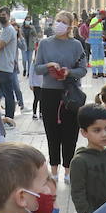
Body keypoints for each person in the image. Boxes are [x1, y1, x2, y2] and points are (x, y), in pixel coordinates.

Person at [34, 10, 90, 179]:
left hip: (70, 93)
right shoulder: (45, 44)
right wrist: (49, 66)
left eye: (64, 22)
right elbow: (37, 67)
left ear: (70, 26)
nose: (59, 24)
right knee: (52, 132)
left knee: (70, 132)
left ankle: (68, 169)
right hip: (49, 92)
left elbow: (82, 69)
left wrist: (68, 72)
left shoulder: (76, 45)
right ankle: (54, 169)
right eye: (58, 20)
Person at [0, 8, 20, 125]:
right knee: (1, 92)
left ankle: (9, 118)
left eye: (3, 15)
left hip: (6, 67)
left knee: (8, 93)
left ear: (8, 16)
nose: (1, 17)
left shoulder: (9, 30)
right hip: (0, 66)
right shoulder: (2, 31)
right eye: (0, 15)